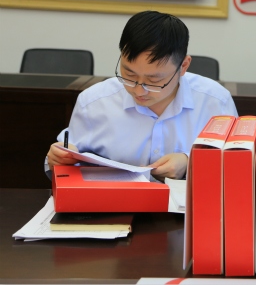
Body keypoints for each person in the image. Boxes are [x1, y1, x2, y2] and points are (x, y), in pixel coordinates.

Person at [45, 11, 239, 181]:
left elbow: (237, 168)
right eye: (129, 75)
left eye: (154, 80)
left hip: (189, 209)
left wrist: (190, 163)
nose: (139, 91)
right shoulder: (94, 102)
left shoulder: (215, 102)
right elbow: (65, 162)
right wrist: (58, 160)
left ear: (183, 66)